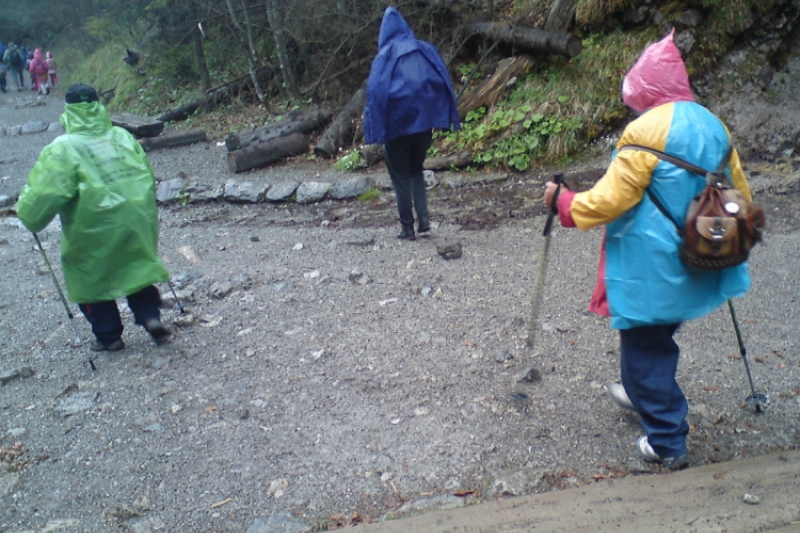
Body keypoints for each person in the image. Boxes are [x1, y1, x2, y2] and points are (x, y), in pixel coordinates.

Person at [543, 30, 753, 470]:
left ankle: (666, 439)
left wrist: (562, 202)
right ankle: (640, 388)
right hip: (702, 250)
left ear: (645, 88)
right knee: (655, 338)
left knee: (645, 345)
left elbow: (608, 202)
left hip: (651, 264)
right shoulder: (714, 125)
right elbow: (741, 194)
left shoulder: (644, 130)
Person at [16, 84, 172, 351]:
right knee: (135, 264)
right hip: (134, 215)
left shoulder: (63, 148)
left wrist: (28, 214)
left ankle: (108, 335)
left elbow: (44, 192)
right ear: (99, 106)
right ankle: (149, 316)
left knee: (90, 273)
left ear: (69, 110)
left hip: (93, 223)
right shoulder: (122, 137)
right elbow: (146, 174)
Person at [362, 7, 460, 241]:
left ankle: (407, 228)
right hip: (424, 125)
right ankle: (424, 221)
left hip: (397, 128)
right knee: (416, 170)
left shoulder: (385, 56)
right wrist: (443, 116)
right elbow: (442, 80)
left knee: (400, 176)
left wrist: (374, 130)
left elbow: (375, 94)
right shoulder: (424, 50)